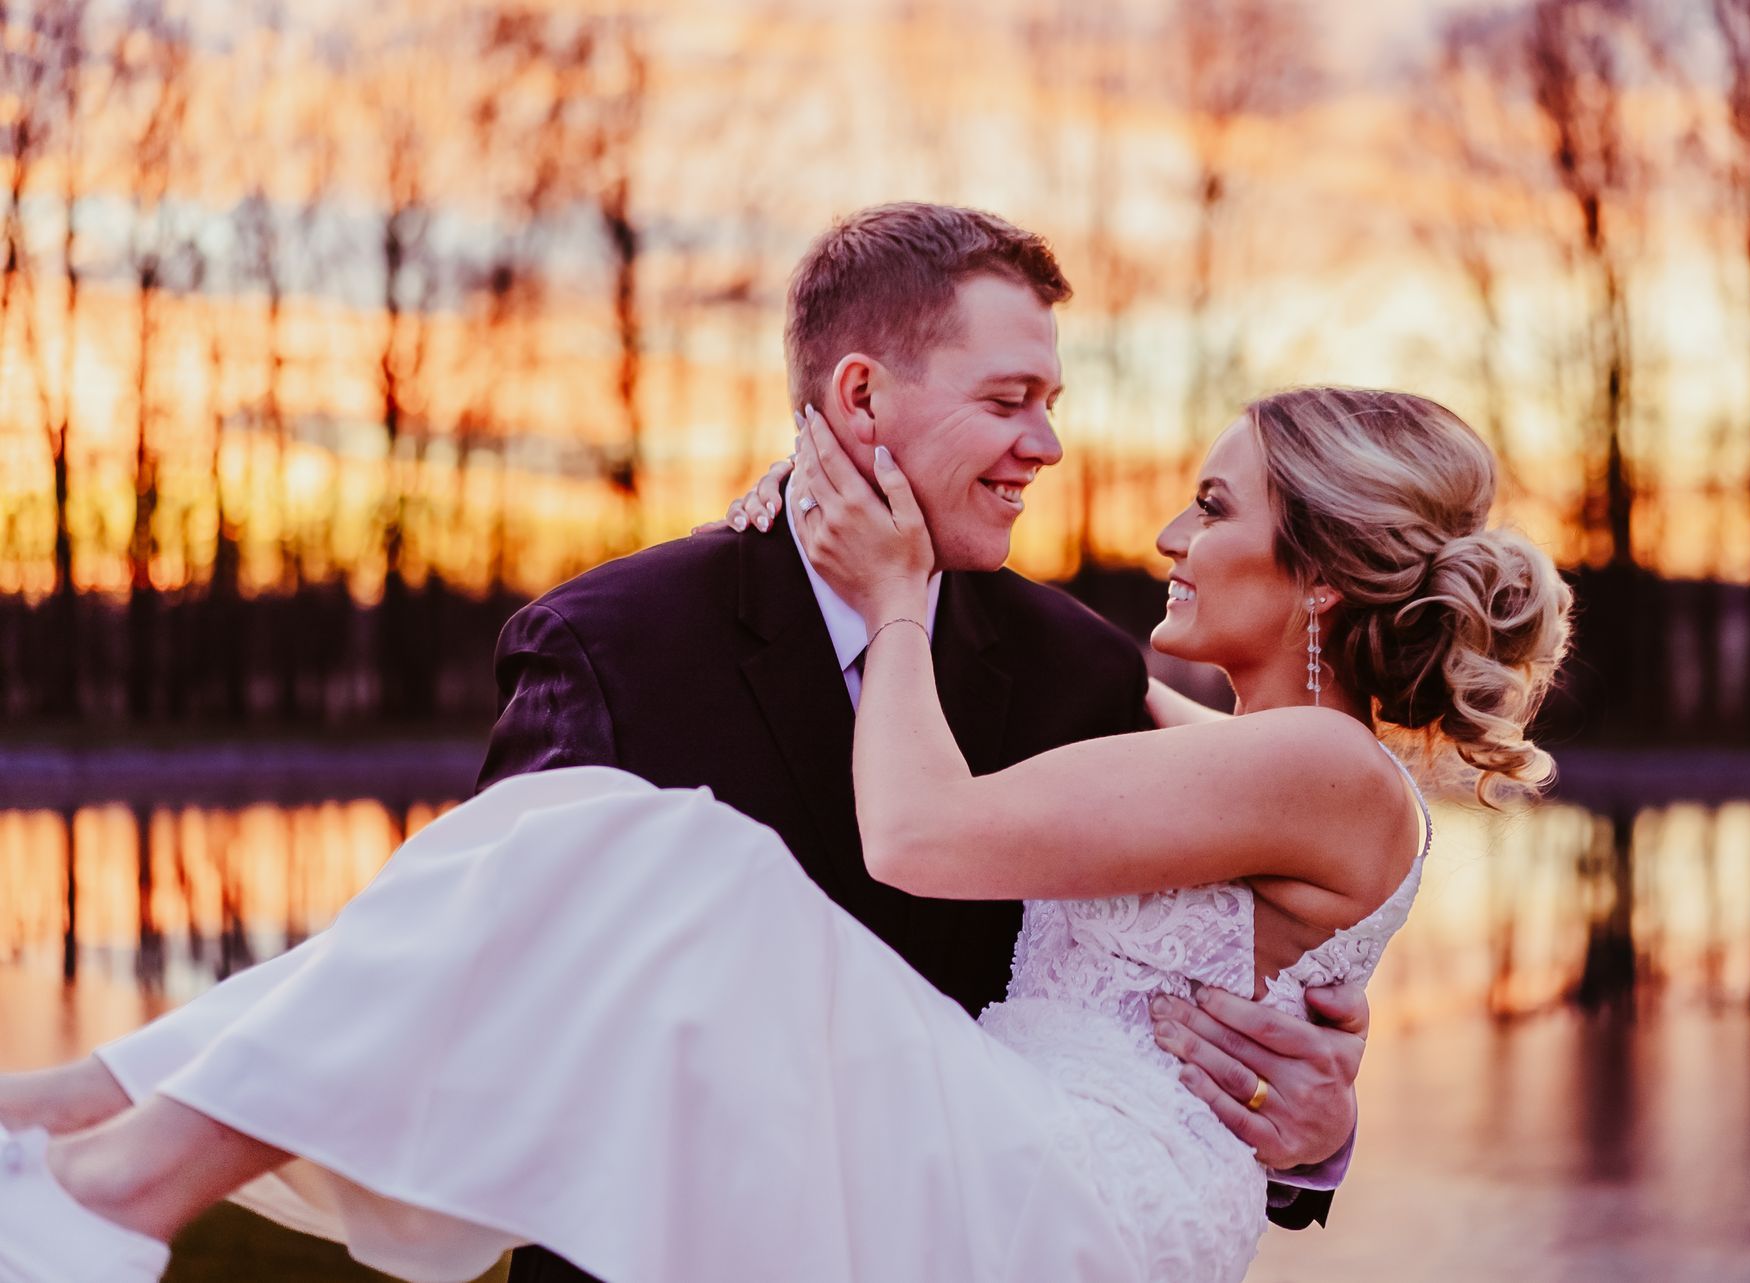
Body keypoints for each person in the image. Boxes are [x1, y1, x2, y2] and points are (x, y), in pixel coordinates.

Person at [0, 380, 1571, 1283]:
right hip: (1019, 1130)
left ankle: (105, 1166)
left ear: (1318, 571)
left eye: (1215, 510)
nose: (1167, 535)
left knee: (657, 856)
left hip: (1077, 1198)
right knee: (567, 831)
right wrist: (865, 505)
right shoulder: (1237, 752)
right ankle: (96, 1108)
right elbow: (1031, 647)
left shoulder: (1323, 770)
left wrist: (890, 601)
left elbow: (927, 831)